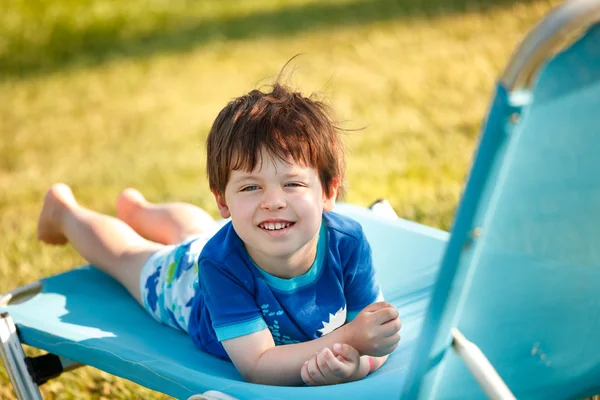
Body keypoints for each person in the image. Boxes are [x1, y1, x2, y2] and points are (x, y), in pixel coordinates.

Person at [37, 82, 402, 387]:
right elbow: (258, 364)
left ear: (327, 191)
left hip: (235, 239)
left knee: (195, 232)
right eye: (249, 188)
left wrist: (356, 366)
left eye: (292, 183)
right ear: (222, 201)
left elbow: (377, 337)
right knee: (128, 256)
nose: (273, 202)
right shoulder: (219, 264)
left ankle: (139, 210)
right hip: (188, 283)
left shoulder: (347, 243)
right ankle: (64, 211)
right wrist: (348, 341)